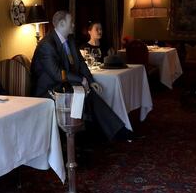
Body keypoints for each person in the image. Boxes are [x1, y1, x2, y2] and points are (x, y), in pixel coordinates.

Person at [31, 11, 135, 141]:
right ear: (62, 24)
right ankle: (114, 132)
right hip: (49, 90)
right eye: (71, 22)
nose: (74, 24)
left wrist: (90, 80)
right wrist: (81, 79)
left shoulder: (70, 39)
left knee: (90, 92)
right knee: (86, 94)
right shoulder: (46, 44)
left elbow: (80, 62)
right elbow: (58, 74)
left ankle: (112, 132)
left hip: (63, 85)